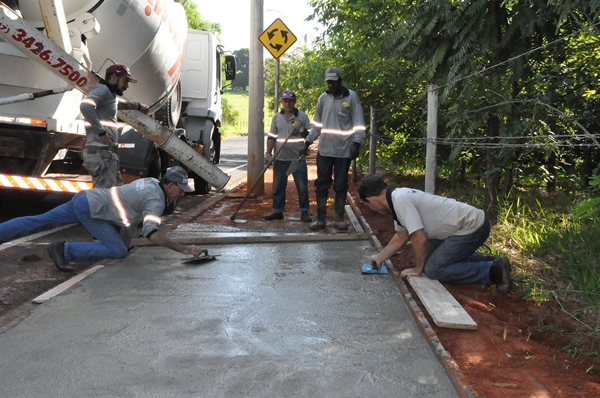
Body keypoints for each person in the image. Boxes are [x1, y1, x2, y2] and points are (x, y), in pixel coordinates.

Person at [0, 166, 206, 272]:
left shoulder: (150, 182)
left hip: (87, 198)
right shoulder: (155, 200)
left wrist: (126, 240)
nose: (183, 194)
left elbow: (130, 216)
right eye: (181, 189)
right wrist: (183, 249)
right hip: (93, 209)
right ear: (170, 184)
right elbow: (151, 233)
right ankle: (64, 250)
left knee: (39, 221)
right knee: (117, 250)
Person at [357, 175, 512, 293]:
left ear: (371, 200)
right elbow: (401, 237)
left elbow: (419, 238)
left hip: (472, 227)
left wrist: (417, 270)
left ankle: (493, 271)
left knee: (433, 269)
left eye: (367, 204)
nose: (370, 208)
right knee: (430, 260)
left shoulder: (400, 201)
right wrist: (380, 258)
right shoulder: (397, 199)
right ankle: (492, 260)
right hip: (457, 229)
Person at [299, 67, 365, 230]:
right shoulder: (323, 99)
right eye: (329, 82)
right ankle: (321, 220)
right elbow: (317, 125)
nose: (331, 85)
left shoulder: (352, 97)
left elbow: (358, 123)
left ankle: (338, 219)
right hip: (325, 150)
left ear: (340, 80)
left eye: (334, 82)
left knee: (341, 185)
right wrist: (307, 142)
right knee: (322, 184)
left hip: (344, 151)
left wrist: (356, 144)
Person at [80, 63, 149, 188]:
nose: (127, 86)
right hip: (99, 150)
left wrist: (137, 106)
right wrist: (102, 133)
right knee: (104, 195)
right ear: (113, 77)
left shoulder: (109, 94)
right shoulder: (102, 89)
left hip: (105, 153)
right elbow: (86, 105)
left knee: (116, 191)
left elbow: (116, 104)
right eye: (125, 81)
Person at [263, 90, 312, 222]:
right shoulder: (276, 118)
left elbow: (309, 136)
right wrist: (268, 152)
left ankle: (304, 212)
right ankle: (277, 211)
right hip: (280, 158)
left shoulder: (302, 117)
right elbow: (272, 136)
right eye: (285, 101)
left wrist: (301, 129)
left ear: (294, 101)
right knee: (278, 186)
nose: (288, 103)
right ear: (282, 102)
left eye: (290, 101)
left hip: (297, 158)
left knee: (301, 186)